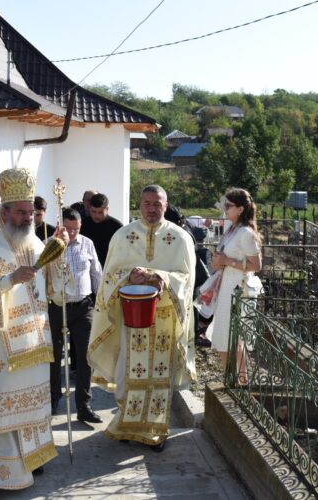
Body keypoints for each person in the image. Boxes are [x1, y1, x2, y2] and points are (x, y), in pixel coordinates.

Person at [0, 168, 68, 494]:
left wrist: (57, 261)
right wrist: (9, 280)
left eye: (31, 213)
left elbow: (58, 293)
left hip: (35, 344)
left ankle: (33, 457)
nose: (27, 218)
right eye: (21, 213)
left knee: (34, 405)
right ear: (3, 212)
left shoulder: (37, 245)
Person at [87, 185, 196, 452]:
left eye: (157, 203)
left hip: (164, 318)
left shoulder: (180, 238)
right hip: (132, 317)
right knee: (128, 373)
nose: (151, 208)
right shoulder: (124, 236)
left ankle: (155, 431)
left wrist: (163, 277)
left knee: (159, 376)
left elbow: (187, 280)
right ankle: (126, 424)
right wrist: (128, 277)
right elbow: (108, 278)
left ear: (166, 204)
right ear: (140, 204)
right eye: (147, 203)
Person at [196, 188, 263, 383]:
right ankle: (234, 380)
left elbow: (256, 266)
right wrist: (219, 262)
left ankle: (239, 382)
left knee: (232, 338)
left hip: (238, 289)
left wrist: (227, 262)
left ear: (241, 209)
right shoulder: (232, 229)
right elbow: (225, 257)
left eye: (229, 205)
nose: (225, 208)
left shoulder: (246, 233)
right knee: (225, 338)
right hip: (226, 286)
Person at [49, 208, 102, 424]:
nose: (71, 234)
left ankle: (84, 404)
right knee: (54, 355)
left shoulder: (87, 243)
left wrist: (100, 302)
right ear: (60, 225)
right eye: (68, 229)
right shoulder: (48, 244)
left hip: (83, 306)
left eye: (76, 229)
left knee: (84, 356)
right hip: (56, 305)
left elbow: (95, 273)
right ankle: (53, 398)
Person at [81, 193, 123, 268]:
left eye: (100, 212)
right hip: (87, 269)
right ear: (90, 208)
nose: (96, 216)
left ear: (107, 209)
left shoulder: (117, 226)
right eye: (94, 211)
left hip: (109, 268)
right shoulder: (82, 224)